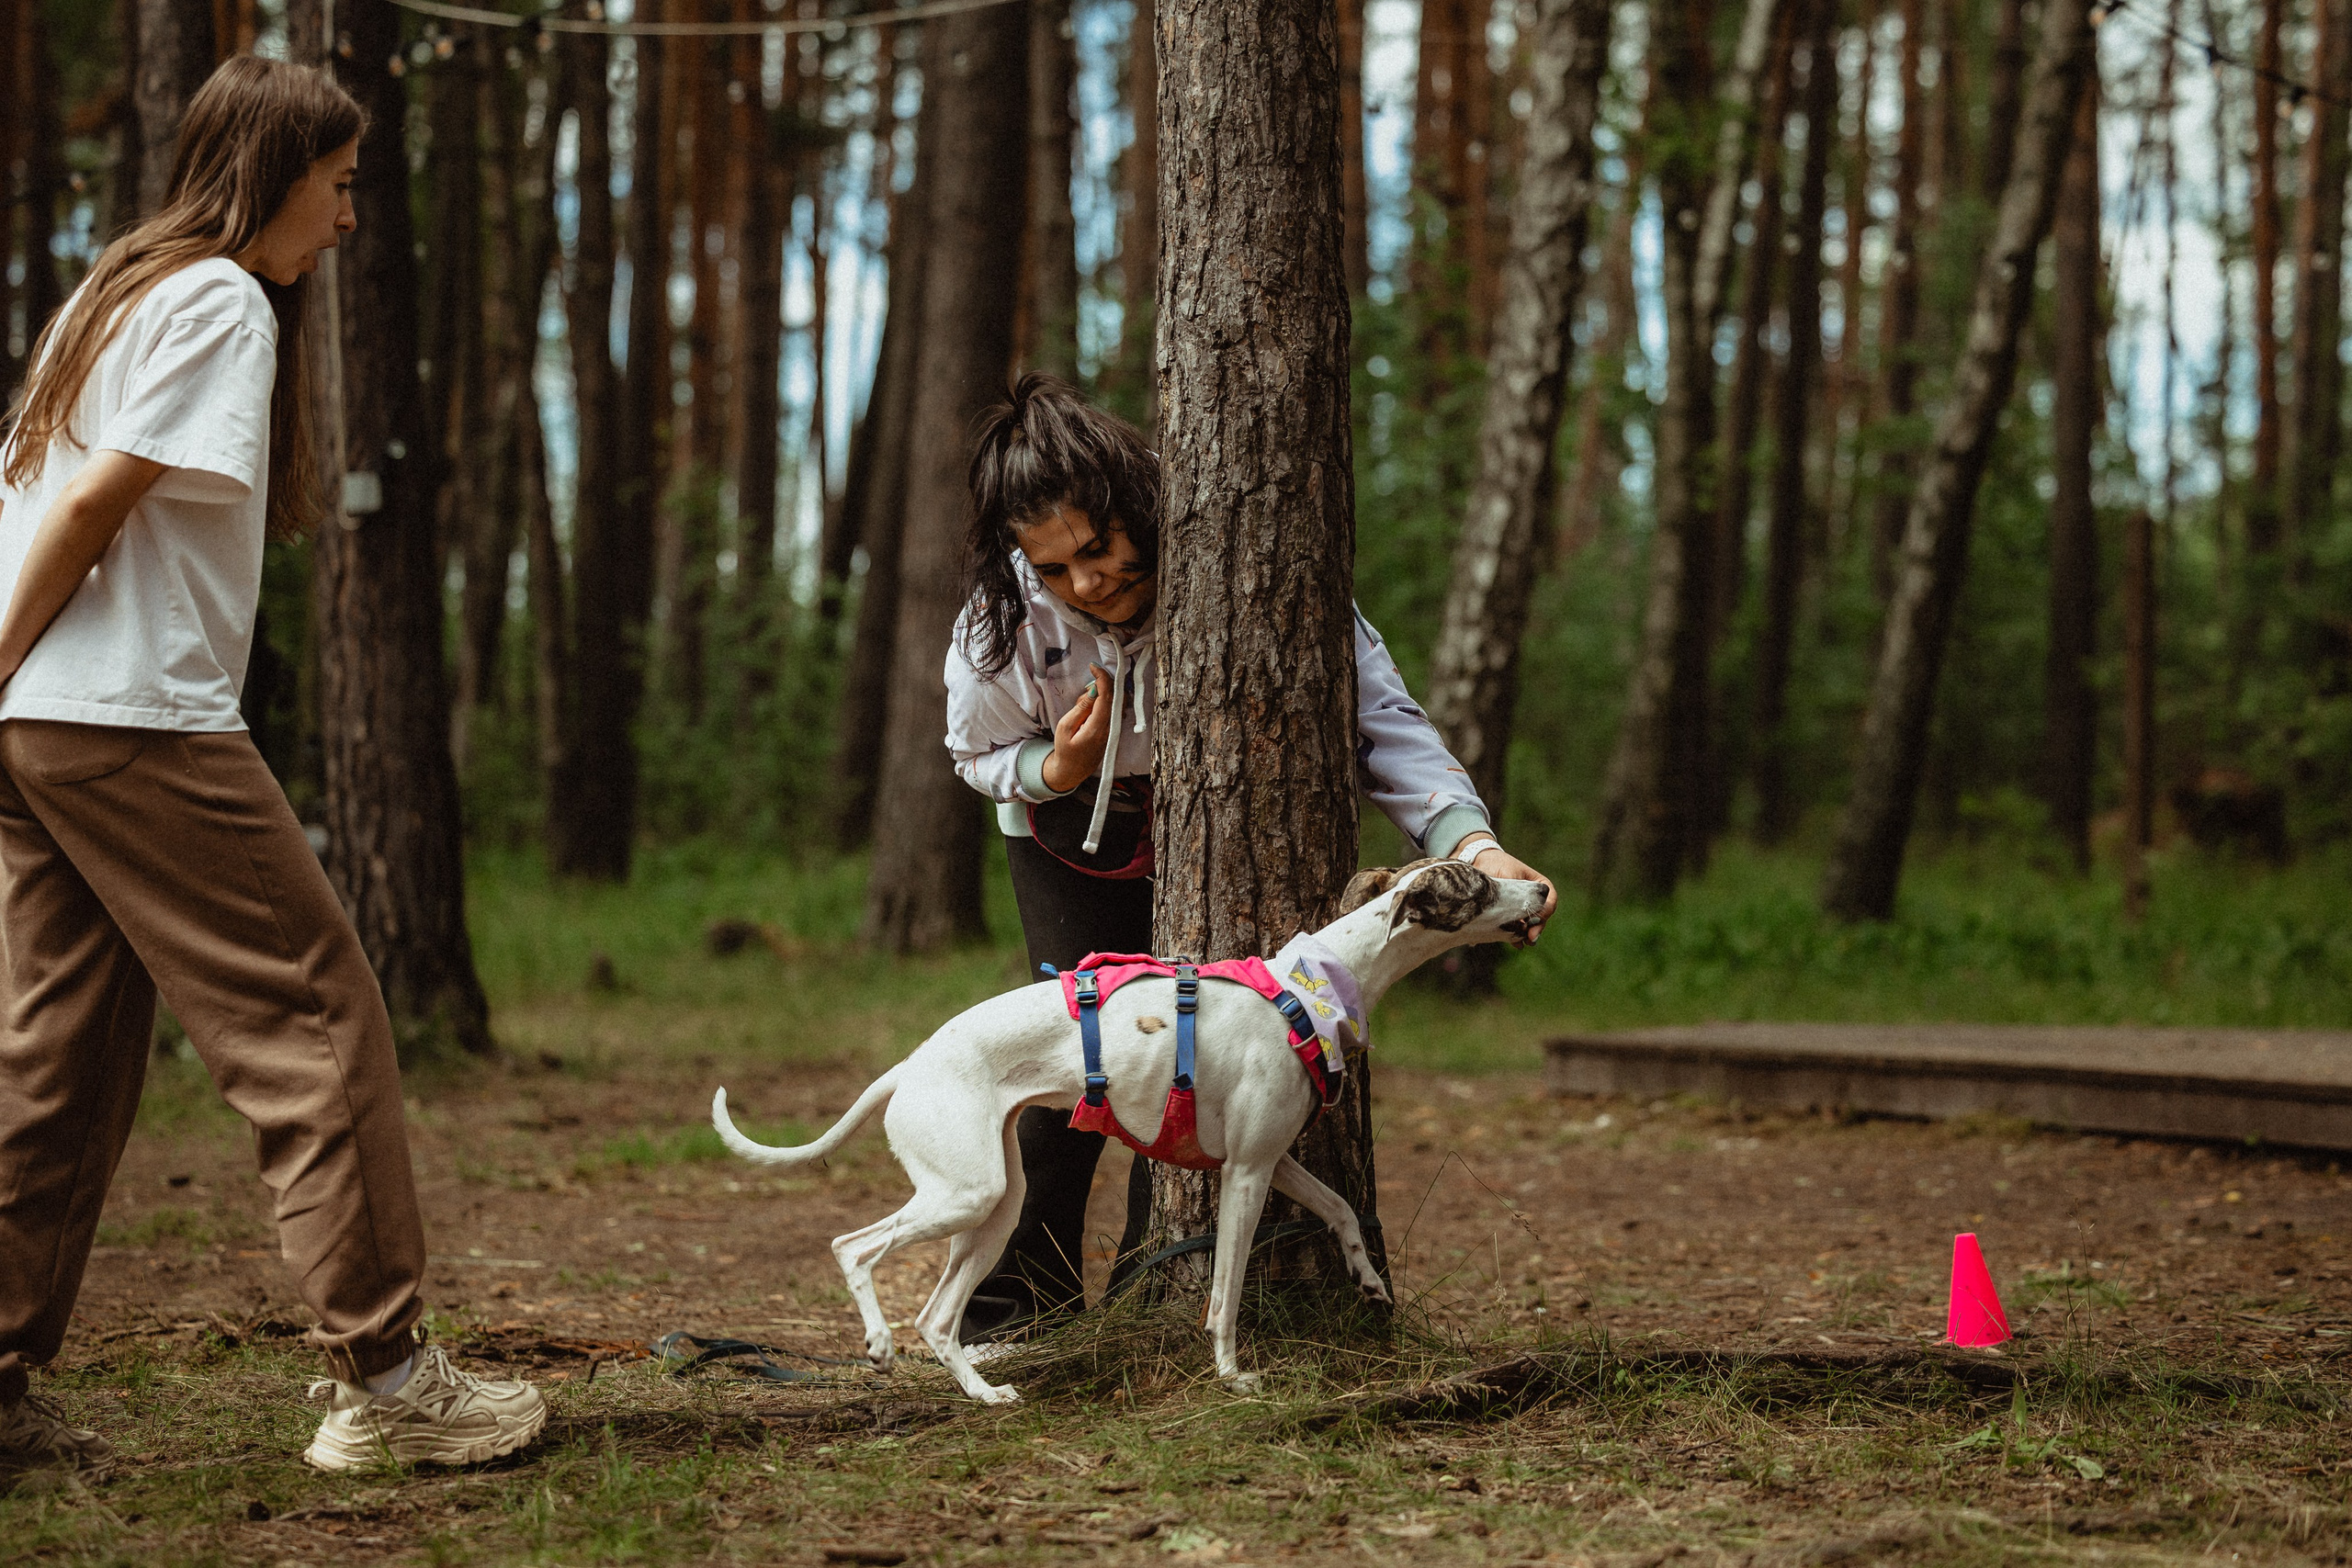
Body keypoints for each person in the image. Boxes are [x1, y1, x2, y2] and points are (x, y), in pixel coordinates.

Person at [0, 57, 544, 1475]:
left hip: (42, 726)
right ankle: (390, 1376)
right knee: (316, 1015)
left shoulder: (107, 291)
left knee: (55, 1054)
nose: (350, 220)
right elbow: (99, 498)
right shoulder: (221, 294)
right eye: (341, 185)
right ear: (273, 176)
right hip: (125, 713)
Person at [944, 374, 1557, 1337]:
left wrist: (1470, 845)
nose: (1088, 584)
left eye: (1099, 549)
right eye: (1056, 568)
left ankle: (1158, 1294)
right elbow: (973, 754)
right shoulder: (1002, 620)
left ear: (1133, 506)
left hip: (1214, 830)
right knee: (1073, 1073)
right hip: (1067, 846)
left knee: (1201, 1072)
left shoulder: (1245, 558)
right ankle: (1013, 1313)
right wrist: (1054, 763)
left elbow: (1383, 725)